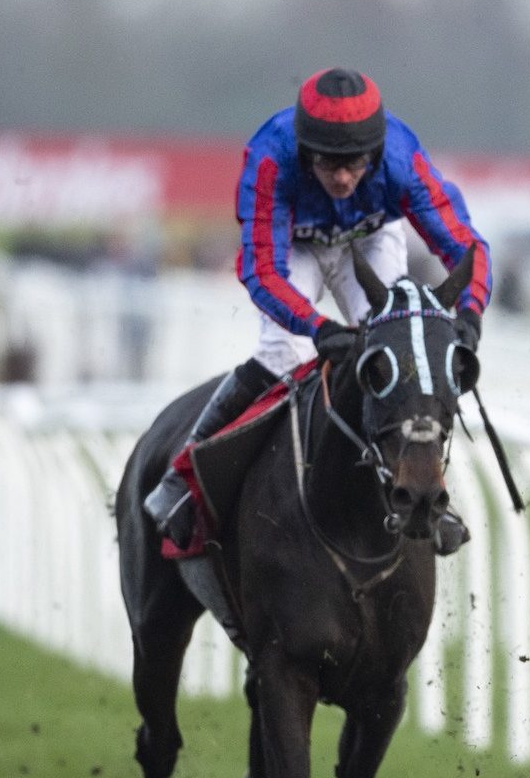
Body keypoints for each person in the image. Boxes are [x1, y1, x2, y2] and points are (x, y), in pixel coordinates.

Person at [141, 67, 493, 553]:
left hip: (369, 239)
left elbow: (466, 246)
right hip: (297, 248)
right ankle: (183, 477)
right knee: (281, 355)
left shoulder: (400, 157)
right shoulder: (270, 160)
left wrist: (471, 314)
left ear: (375, 153)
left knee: (398, 353)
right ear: (307, 153)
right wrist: (317, 326)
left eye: (356, 163)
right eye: (330, 164)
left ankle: (421, 490)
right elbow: (263, 272)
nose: (345, 177)